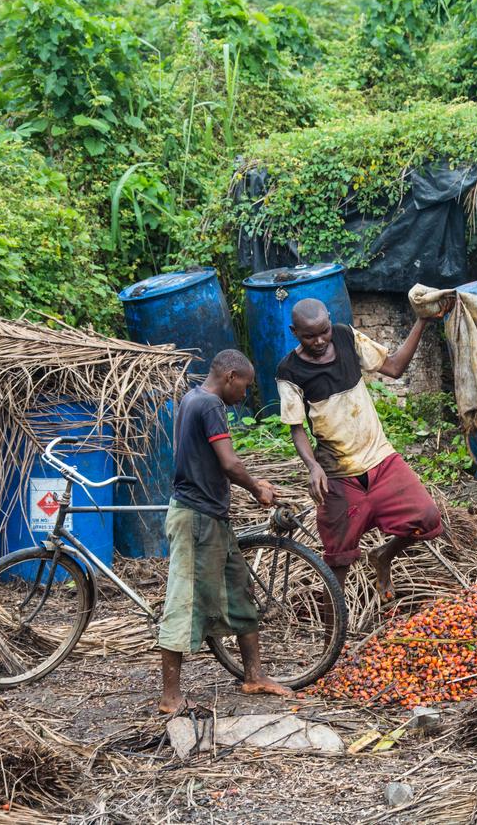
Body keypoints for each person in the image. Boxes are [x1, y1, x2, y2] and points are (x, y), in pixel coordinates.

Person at [276, 298, 450, 598]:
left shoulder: (345, 336)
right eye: (309, 336)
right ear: (294, 332)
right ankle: (336, 633)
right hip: (338, 473)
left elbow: (394, 367)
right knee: (338, 558)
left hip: (381, 459)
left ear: (330, 322)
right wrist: (313, 466)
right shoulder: (289, 371)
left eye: (324, 331)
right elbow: (297, 428)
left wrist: (422, 321)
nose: (319, 341)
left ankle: (384, 555)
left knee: (428, 517)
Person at [158, 349, 291, 713]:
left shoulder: (191, 399)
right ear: (231, 376)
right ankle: (170, 696)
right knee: (185, 601)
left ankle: (253, 676)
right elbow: (230, 463)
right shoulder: (211, 405)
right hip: (196, 518)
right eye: (245, 386)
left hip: (212, 518)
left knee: (240, 590)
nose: (244, 395)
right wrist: (257, 488)